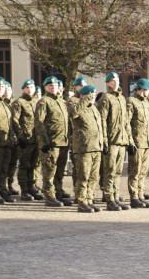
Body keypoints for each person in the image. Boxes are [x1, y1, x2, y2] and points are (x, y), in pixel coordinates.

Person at [96, 72, 131, 211]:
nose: (115, 83)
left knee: (118, 171)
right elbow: (102, 121)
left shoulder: (122, 98)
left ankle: (116, 197)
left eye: (116, 80)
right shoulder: (105, 98)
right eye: (111, 81)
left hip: (121, 140)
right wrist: (104, 140)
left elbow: (126, 121)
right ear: (107, 83)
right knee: (109, 171)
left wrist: (129, 139)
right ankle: (109, 199)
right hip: (111, 140)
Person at [34, 76, 69, 207]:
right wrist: (44, 141)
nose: (53, 87)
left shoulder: (61, 101)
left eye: (54, 85)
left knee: (59, 171)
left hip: (63, 142)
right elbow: (38, 122)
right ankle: (49, 196)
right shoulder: (44, 101)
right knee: (50, 171)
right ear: (45, 87)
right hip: (51, 143)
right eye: (50, 85)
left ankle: (58, 193)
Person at [70, 85, 105, 213]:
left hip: (96, 147)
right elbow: (73, 114)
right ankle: (82, 202)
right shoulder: (78, 107)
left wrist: (103, 143)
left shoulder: (94, 109)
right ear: (83, 95)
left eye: (94, 94)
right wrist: (84, 100)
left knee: (93, 177)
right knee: (83, 177)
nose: (93, 96)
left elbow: (100, 127)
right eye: (91, 94)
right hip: (83, 149)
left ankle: (89, 200)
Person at [127, 79, 149, 208]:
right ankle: (134, 198)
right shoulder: (131, 101)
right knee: (135, 171)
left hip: (147, 142)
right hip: (137, 142)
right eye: (148, 90)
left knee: (143, 172)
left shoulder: (146, 103)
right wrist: (130, 142)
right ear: (143, 89)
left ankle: (140, 195)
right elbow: (126, 123)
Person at [11, 80, 42, 201]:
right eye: (27, 87)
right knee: (24, 165)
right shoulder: (19, 102)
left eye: (32, 87)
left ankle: (31, 187)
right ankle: (24, 190)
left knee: (34, 165)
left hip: (36, 139)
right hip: (25, 139)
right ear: (23, 89)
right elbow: (14, 120)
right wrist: (20, 136)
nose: (30, 90)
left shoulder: (36, 102)